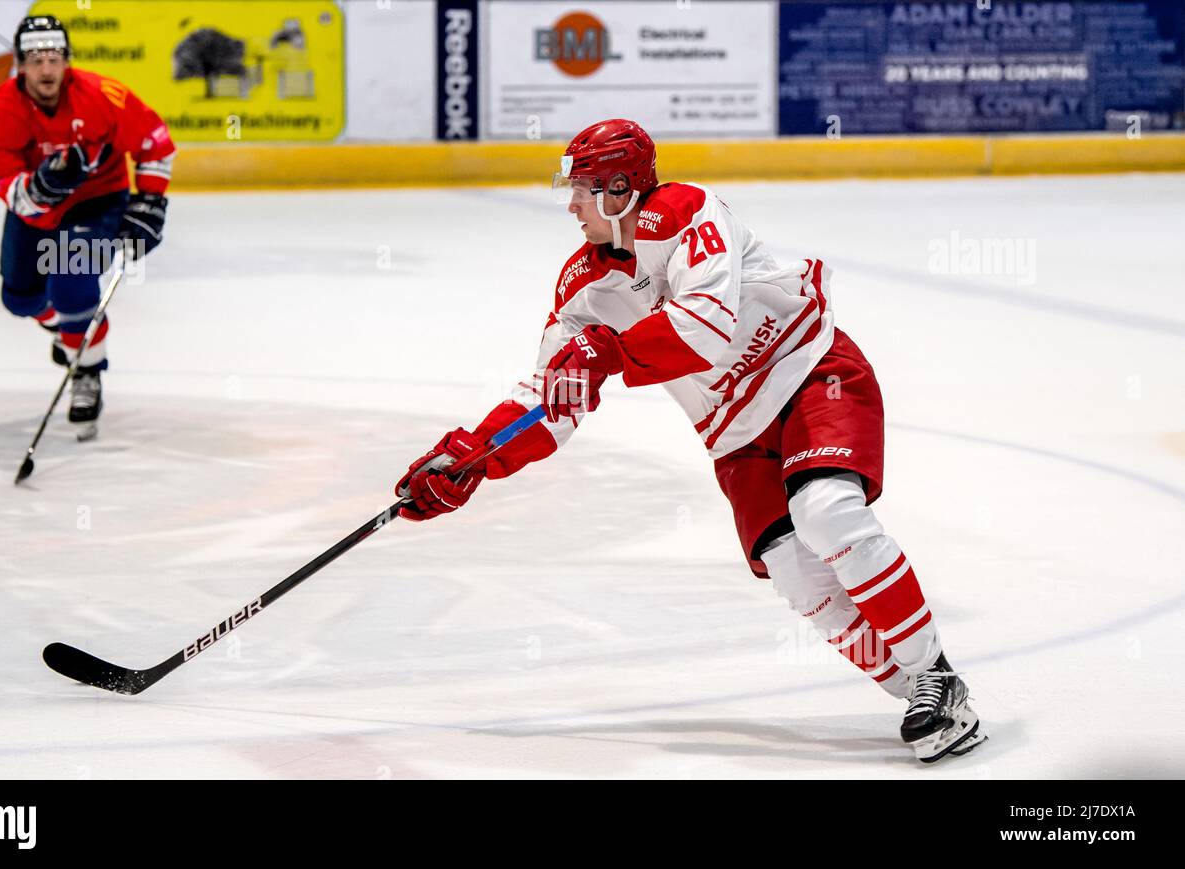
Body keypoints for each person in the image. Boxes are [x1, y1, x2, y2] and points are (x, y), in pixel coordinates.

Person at [393, 119, 986, 763]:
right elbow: (550, 396)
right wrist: (472, 459)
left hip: (810, 373)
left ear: (621, 188)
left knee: (826, 512)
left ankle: (937, 675)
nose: (571, 205)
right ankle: (917, 689)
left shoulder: (689, 212)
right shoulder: (582, 289)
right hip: (733, 432)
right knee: (793, 572)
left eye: (584, 190)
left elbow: (703, 324)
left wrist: (609, 352)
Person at [0, 14, 175, 433]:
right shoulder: (2, 109)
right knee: (20, 298)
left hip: (97, 201)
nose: (46, 69)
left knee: (71, 278)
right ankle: (65, 331)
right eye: (35, 59)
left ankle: (86, 371)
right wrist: (40, 189)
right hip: (38, 210)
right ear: (20, 65)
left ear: (67, 61)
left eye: (54, 58)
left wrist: (152, 201)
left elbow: (154, 141)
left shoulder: (103, 96)